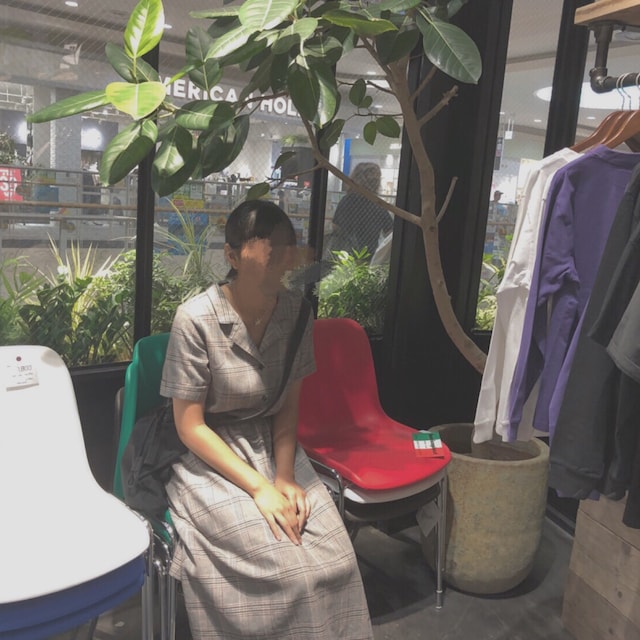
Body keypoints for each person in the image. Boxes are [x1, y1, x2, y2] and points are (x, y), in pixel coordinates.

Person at [159, 200, 373, 640]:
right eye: (269, 248)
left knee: (336, 561)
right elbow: (189, 425)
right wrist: (260, 488)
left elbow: (288, 406)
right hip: (209, 454)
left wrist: (284, 476)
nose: (282, 259)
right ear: (232, 256)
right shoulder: (196, 318)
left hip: (273, 444)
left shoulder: (296, 312)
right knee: (284, 571)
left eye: (287, 248)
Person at [330, 162, 393, 258]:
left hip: (345, 255)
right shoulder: (378, 204)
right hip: (368, 255)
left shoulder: (347, 201)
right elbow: (390, 233)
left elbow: (336, 226)